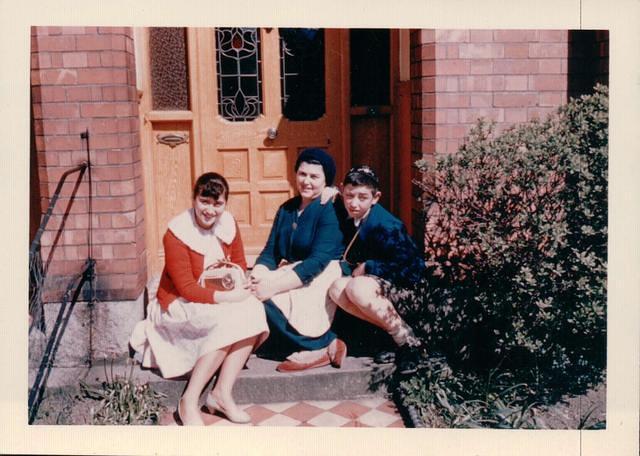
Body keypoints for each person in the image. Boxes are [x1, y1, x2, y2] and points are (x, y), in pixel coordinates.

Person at [130, 172, 269, 425]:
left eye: (218, 204)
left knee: (253, 309)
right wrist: (228, 299)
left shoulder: (228, 223)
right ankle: (188, 401)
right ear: (194, 199)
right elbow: (186, 288)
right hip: (180, 303)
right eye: (204, 201)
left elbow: (237, 264)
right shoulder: (177, 232)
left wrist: (243, 286)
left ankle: (221, 394)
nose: (210, 210)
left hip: (217, 296)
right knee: (227, 318)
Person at [250, 148, 347, 372]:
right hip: (293, 272)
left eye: (314, 177)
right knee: (253, 291)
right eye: (302, 174)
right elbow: (271, 251)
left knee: (268, 298)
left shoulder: (330, 209)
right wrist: (258, 275)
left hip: (320, 273)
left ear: (326, 180)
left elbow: (318, 261)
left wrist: (273, 286)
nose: (307, 181)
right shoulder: (287, 209)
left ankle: (321, 345)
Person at [329, 165, 426, 375]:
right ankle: (390, 336)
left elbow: (414, 269)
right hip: (375, 285)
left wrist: (369, 266)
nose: (354, 203)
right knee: (337, 288)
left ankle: (409, 343)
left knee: (357, 288)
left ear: (376, 197)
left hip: (405, 289)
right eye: (349, 196)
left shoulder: (387, 225)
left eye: (362, 197)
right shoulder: (349, 212)